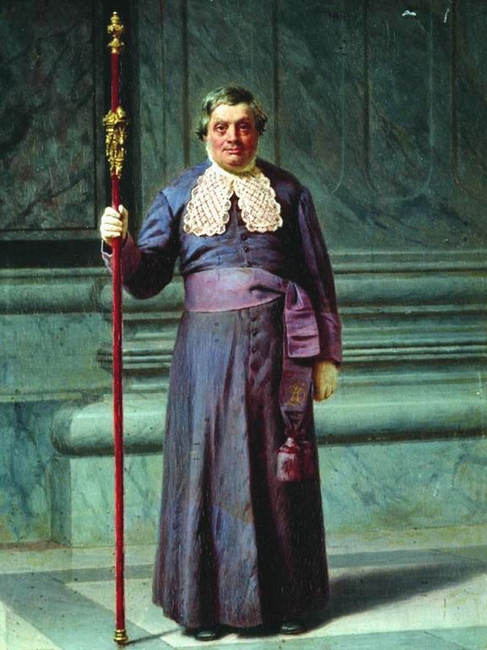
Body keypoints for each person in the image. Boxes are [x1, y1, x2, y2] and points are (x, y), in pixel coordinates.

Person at [100, 84, 342, 642]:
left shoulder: (289, 192)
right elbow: (146, 278)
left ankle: (289, 600)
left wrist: (327, 357)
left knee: (280, 467)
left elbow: (317, 276)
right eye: (221, 127)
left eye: (244, 126)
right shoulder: (178, 194)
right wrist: (119, 243)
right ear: (204, 134)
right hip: (205, 355)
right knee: (207, 467)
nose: (233, 137)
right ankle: (205, 607)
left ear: (258, 131)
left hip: (281, 351)